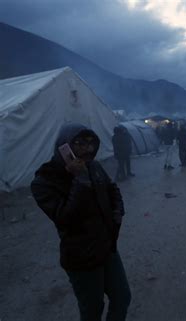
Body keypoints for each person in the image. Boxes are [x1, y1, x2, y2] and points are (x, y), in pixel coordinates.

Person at [30, 123, 131, 321]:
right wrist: (81, 180)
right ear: (64, 146)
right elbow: (66, 219)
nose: (87, 149)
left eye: (91, 143)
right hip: (81, 257)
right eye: (79, 143)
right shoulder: (45, 181)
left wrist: (118, 210)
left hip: (107, 247)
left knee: (122, 297)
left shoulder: (93, 165)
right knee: (92, 310)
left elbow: (112, 189)